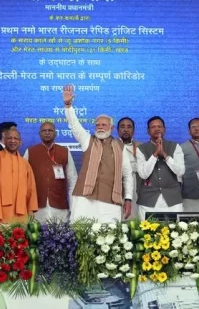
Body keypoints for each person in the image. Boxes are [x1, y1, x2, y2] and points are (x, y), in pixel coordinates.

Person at [62, 85, 134, 222]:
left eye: (104, 125)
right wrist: (68, 105)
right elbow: (74, 125)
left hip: (111, 200)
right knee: (81, 234)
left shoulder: (120, 146)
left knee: (108, 238)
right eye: (97, 125)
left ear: (111, 128)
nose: (100, 127)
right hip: (84, 198)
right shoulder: (87, 140)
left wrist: (128, 198)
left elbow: (127, 175)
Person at [0, 107, 37, 223]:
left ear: (20, 142)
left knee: (20, 240)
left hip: (19, 212)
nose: (13, 141)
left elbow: (31, 188)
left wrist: (31, 209)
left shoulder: (25, 164)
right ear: (4, 140)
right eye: (9, 138)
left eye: (16, 138)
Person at [25, 121, 77, 222]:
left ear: (56, 133)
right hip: (37, 208)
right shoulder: (30, 152)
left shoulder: (64, 152)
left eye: (50, 130)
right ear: (39, 134)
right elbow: (22, 180)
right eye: (44, 131)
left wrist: (73, 207)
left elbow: (72, 180)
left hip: (60, 207)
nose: (47, 133)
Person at [136, 116, 186, 219]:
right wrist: (155, 155)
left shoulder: (175, 146)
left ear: (165, 129)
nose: (157, 129)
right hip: (148, 200)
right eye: (153, 127)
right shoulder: (141, 149)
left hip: (173, 200)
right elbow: (143, 174)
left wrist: (165, 155)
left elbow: (180, 171)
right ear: (148, 131)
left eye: (159, 126)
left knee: (175, 232)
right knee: (147, 232)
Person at [181, 118, 199, 212]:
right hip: (190, 190)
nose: (197, 129)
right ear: (189, 131)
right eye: (193, 127)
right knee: (191, 221)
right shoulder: (182, 148)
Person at [118, 116, 140, 219]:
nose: (126, 129)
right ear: (117, 130)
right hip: (118, 187)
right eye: (122, 126)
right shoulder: (112, 146)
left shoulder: (141, 147)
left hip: (138, 188)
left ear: (133, 131)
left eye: (129, 127)